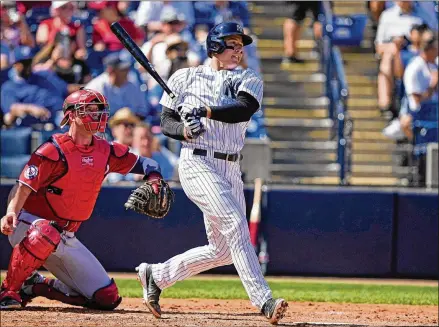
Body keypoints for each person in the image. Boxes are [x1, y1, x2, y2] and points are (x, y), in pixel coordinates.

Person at [136, 22, 288, 325]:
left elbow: (242, 109)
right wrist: (184, 129)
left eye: (241, 44)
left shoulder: (248, 77)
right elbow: (166, 121)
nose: (239, 49)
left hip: (230, 167)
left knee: (223, 251)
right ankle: (264, 300)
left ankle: (157, 275)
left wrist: (204, 112)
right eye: (232, 44)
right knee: (234, 224)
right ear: (215, 47)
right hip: (197, 163)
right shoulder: (184, 77)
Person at [0, 88, 167, 310]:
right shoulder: (53, 150)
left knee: (107, 298)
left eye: (99, 111)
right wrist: (11, 212)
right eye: (89, 110)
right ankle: (9, 291)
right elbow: (23, 187)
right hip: (28, 226)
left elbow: (148, 164)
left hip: (66, 235)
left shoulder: (105, 150)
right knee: (45, 232)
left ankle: (34, 286)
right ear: (71, 115)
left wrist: (154, 179)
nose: (96, 116)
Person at [1, 46, 69, 128]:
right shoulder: (9, 87)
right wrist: (30, 108)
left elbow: (66, 89)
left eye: (30, 62)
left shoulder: (43, 75)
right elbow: (10, 113)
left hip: (62, 114)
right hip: (39, 124)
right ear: (16, 65)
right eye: (24, 63)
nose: (28, 66)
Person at [85, 51, 149, 118]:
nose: (127, 72)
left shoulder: (132, 84)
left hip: (129, 125)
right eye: (123, 70)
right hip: (103, 126)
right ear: (111, 71)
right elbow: (90, 117)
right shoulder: (96, 88)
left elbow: (142, 112)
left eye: (127, 69)